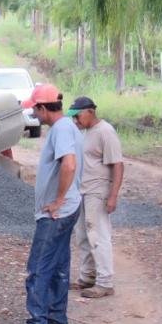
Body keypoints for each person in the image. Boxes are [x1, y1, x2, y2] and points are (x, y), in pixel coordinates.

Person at [7, 83, 83, 324]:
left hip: (56, 214)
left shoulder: (61, 129)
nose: (34, 114)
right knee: (59, 266)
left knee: (38, 268)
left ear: (43, 107)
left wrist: (57, 200)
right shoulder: (67, 127)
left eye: (35, 109)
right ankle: (56, 319)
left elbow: (69, 165)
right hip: (68, 210)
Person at [67, 96, 124, 298]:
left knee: (98, 235)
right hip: (82, 190)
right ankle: (87, 277)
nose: (76, 120)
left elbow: (118, 164)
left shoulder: (105, 131)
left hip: (98, 190)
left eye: (78, 115)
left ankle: (105, 282)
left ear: (90, 111)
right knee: (83, 235)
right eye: (73, 117)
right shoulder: (86, 132)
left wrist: (113, 195)